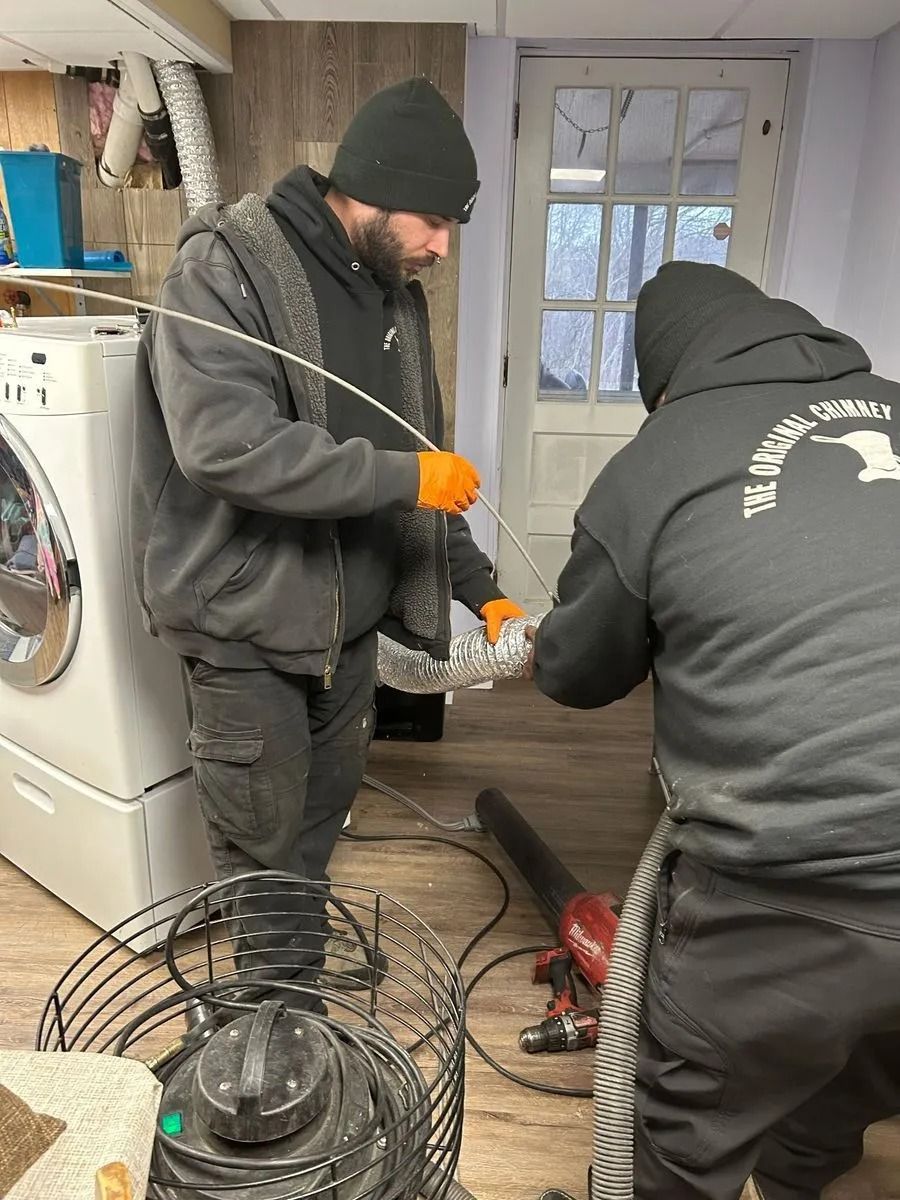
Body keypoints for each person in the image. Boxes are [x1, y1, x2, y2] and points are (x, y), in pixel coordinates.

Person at [131, 77, 524, 1006]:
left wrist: (482, 589)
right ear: (373, 191)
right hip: (243, 629)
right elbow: (228, 447)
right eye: (433, 221)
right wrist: (406, 475)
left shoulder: (393, 297)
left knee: (315, 828)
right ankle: (269, 1030)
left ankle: (292, 982)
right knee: (260, 851)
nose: (440, 246)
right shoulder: (224, 273)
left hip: (343, 637)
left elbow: (417, 467)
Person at [528, 261, 900, 1200]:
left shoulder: (662, 458)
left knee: (685, 1138)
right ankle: (800, 1174)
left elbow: (575, 674)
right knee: (863, 1065)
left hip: (785, 889)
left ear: (664, 373)